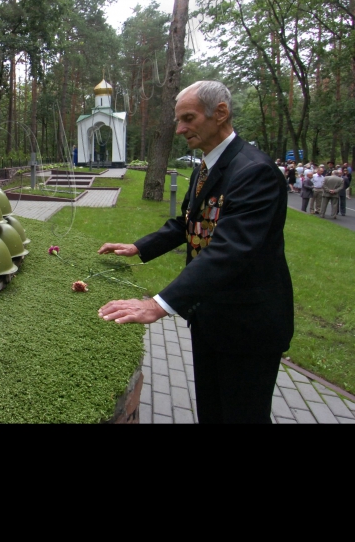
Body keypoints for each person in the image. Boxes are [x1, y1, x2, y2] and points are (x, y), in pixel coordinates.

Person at [97, 81, 293, 424]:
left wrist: (157, 304)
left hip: (248, 328)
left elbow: (230, 250)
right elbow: (187, 222)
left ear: (220, 113)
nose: (180, 129)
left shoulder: (254, 171)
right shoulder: (206, 167)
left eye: (188, 118)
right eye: (178, 120)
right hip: (210, 318)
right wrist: (139, 247)